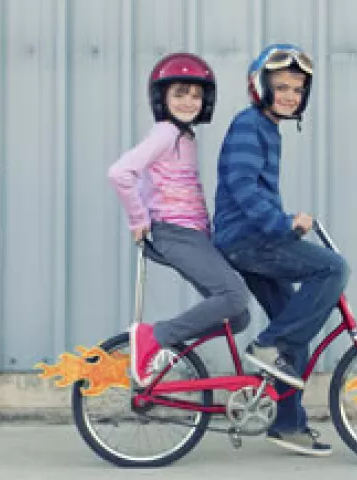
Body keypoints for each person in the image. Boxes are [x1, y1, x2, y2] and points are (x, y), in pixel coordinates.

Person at [212, 44, 350, 457]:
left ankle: (288, 424)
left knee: (294, 328)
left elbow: (258, 193)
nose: (291, 95)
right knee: (332, 270)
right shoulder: (248, 125)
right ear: (260, 87)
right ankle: (267, 346)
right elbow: (243, 187)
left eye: (298, 89)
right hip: (246, 240)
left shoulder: (267, 128)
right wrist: (283, 223)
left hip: (255, 238)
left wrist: (285, 224)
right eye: (282, 87)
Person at [108, 53, 251, 387]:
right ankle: (156, 337)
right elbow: (120, 173)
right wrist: (137, 218)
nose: (189, 101)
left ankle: (169, 352)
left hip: (195, 236)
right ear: (162, 98)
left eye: (197, 95)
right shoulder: (165, 133)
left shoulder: (183, 136)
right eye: (180, 93)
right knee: (235, 296)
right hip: (174, 232)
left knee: (238, 317)